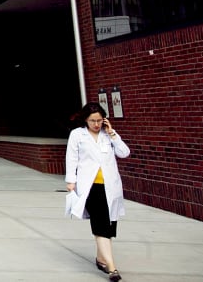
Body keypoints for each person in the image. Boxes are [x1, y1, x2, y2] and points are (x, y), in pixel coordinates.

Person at [65, 103, 131, 282]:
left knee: (108, 225)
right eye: (92, 120)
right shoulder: (78, 135)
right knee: (100, 225)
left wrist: (112, 134)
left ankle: (101, 259)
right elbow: (71, 158)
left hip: (110, 187)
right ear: (85, 120)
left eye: (100, 120)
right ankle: (112, 268)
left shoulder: (107, 135)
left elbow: (124, 153)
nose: (96, 124)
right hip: (90, 187)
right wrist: (71, 181)